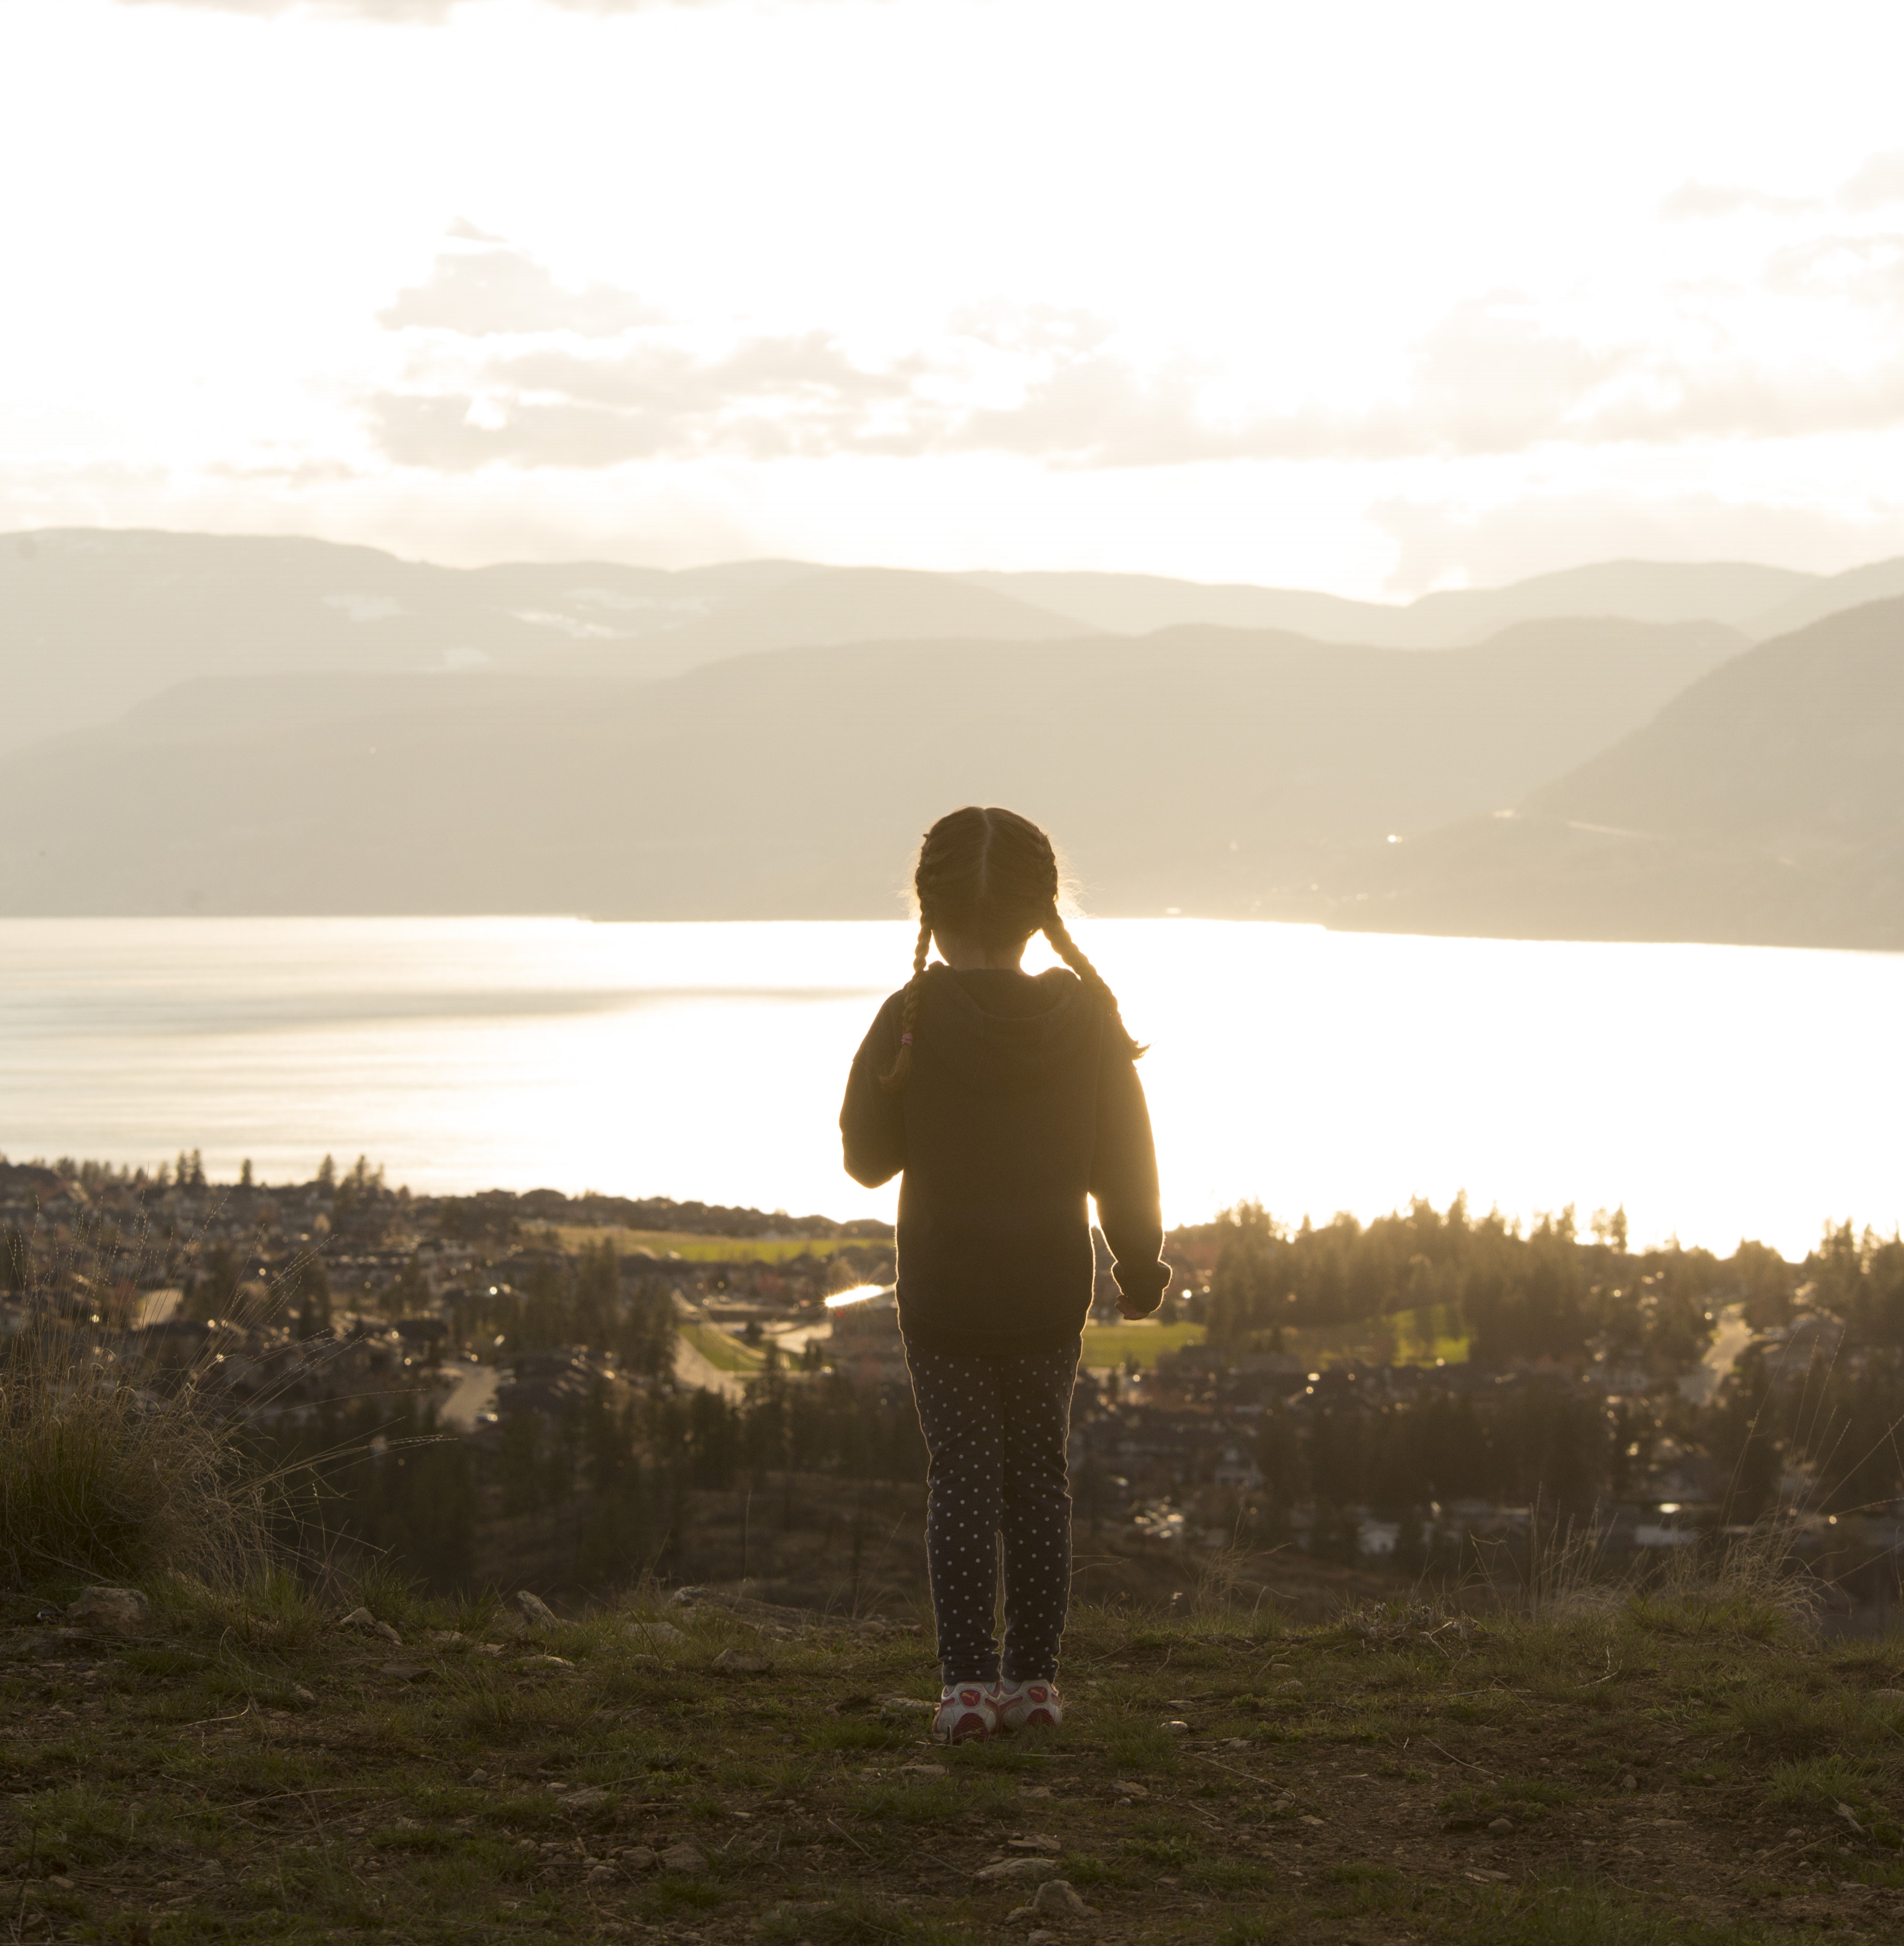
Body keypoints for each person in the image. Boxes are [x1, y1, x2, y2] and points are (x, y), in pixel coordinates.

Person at [838, 805, 1170, 1742]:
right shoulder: (1088, 1019)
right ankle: (1036, 1682)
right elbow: (1128, 1162)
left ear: (928, 909)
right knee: (1038, 1480)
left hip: (944, 1294)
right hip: (1046, 1293)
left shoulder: (911, 1016)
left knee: (963, 1479)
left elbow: (866, 1159)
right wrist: (1140, 1268)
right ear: (1041, 909)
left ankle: (965, 1689)